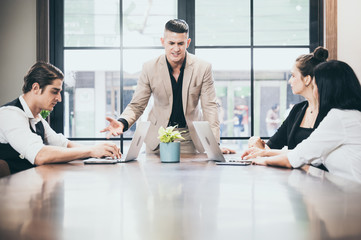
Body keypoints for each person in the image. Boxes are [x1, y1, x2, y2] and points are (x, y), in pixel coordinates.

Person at [101, 19, 234, 154]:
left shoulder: (203, 68)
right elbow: (137, 105)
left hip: (189, 137)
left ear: (187, 43)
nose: (176, 49)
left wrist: (214, 144)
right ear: (162, 41)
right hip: (157, 138)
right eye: (171, 43)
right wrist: (122, 122)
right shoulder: (149, 68)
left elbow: (210, 107)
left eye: (180, 43)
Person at [248, 60, 361, 183]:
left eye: (316, 85)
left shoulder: (338, 117)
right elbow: (307, 153)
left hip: (352, 195)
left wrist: (263, 159)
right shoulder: (350, 116)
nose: (315, 90)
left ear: (327, 89)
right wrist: (263, 153)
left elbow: (296, 157)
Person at [0, 62, 121, 174]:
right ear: (36, 88)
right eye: (54, 92)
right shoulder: (10, 114)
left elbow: (64, 144)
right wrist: (91, 151)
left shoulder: (37, 118)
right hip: (11, 191)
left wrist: (99, 150)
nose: (59, 98)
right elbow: (39, 155)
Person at [245, 47, 329, 156]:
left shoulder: (330, 113)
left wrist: (263, 152)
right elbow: (272, 146)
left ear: (307, 79)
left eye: (293, 76)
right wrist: (258, 145)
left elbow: (309, 155)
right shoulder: (297, 110)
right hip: (295, 173)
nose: (290, 81)